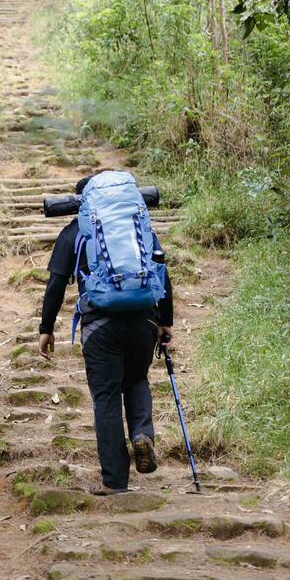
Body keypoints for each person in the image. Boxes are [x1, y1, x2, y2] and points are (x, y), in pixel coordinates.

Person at [38, 174, 174, 495]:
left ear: (80, 203)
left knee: (107, 397)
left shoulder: (75, 232)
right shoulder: (139, 228)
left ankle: (115, 481)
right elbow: (161, 273)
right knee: (137, 379)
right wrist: (165, 322)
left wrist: (46, 329)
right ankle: (142, 434)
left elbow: (56, 285)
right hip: (144, 320)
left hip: (100, 325)